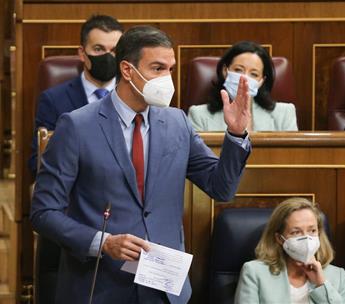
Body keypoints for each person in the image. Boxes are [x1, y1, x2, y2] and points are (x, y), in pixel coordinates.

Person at [30, 25, 252, 304]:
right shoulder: (76, 126)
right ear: (127, 70)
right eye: (157, 68)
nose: (167, 79)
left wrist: (235, 135)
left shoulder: (177, 123)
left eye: (170, 69)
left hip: (163, 288)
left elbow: (221, 189)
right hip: (99, 286)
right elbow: (43, 212)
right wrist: (103, 242)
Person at [28, 14, 124, 176]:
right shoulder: (53, 100)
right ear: (82, 53)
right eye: (98, 49)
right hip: (75, 190)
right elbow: (37, 161)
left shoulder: (134, 97)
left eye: (114, 50)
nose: (108, 57)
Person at [235, 198, 345, 304]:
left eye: (312, 230)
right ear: (280, 239)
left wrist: (321, 284)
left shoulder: (338, 276)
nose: (306, 238)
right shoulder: (255, 272)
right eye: (296, 232)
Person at [188, 41, 298, 132]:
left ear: (261, 81)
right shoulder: (199, 115)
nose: (244, 78)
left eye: (254, 74)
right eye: (238, 70)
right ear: (225, 71)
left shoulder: (285, 114)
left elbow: (292, 157)